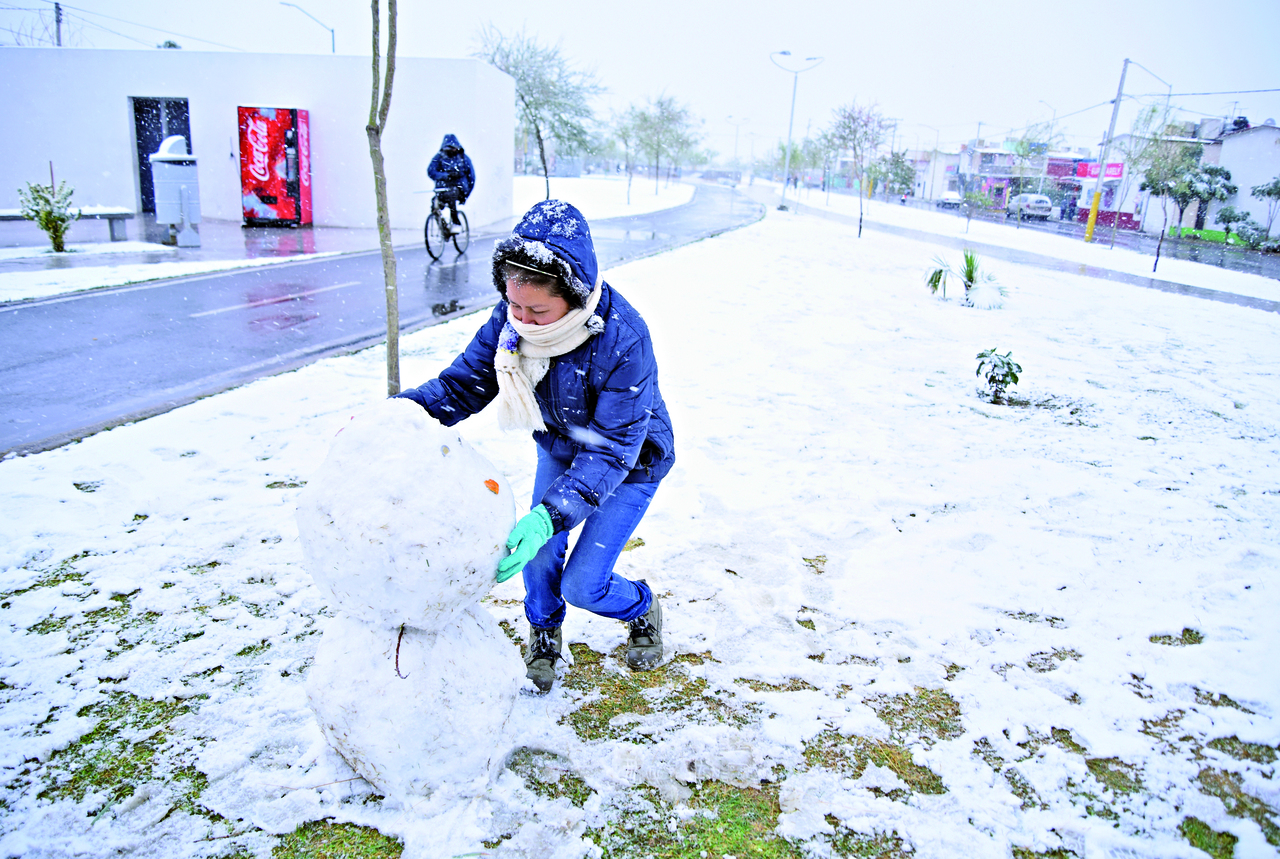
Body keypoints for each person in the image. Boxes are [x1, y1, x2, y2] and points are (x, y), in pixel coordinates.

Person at [395, 200, 675, 693]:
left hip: (630, 462)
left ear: (575, 296)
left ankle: (641, 606)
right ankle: (544, 632)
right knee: (539, 557)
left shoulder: (623, 340)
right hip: (561, 446)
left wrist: (551, 513)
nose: (521, 319)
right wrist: (396, 418)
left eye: (537, 310)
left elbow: (612, 448)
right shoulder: (509, 323)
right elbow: (461, 387)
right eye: (513, 304)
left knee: (582, 583)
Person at [427, 133, 475, 226]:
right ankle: (443, 227)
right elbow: (431, 171)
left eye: (453, 148)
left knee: (452, 196)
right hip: (443, 189)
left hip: (459, 189)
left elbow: (471, 177)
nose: (451, 151)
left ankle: (455, 221)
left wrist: (466, 194)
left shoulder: (463, 159)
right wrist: (446, 175)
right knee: (435, 204)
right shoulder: (440, 157)